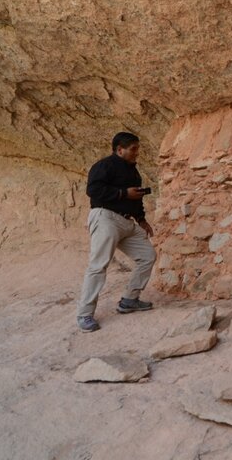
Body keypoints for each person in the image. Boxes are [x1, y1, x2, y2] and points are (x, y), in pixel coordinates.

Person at [76, 131, 157, 332]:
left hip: (126, 221)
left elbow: (135, 198)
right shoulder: (105, 165)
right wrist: (123, 193)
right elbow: (93, 190)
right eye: (133, 149)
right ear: (119, 150)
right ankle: (85, 315)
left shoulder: (133, 172)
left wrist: (141, 220)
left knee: (147, 255)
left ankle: (129, 300)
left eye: (137, 148)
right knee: (98, 265)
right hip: (106, 217)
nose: (137, 152)